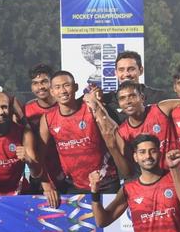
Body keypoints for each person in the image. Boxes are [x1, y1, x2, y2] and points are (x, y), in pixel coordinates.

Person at [37, 70, 127, 200]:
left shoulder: (90, 106)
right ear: (52, 92)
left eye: (66, 85)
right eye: (57, 87)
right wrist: (47, 185)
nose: (62, 91)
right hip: (74, 186)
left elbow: (113, 133)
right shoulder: (48, 119)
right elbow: (40, 156)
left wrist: (96, 106)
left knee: (107, 220)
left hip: (106, 183)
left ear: (76, 87)